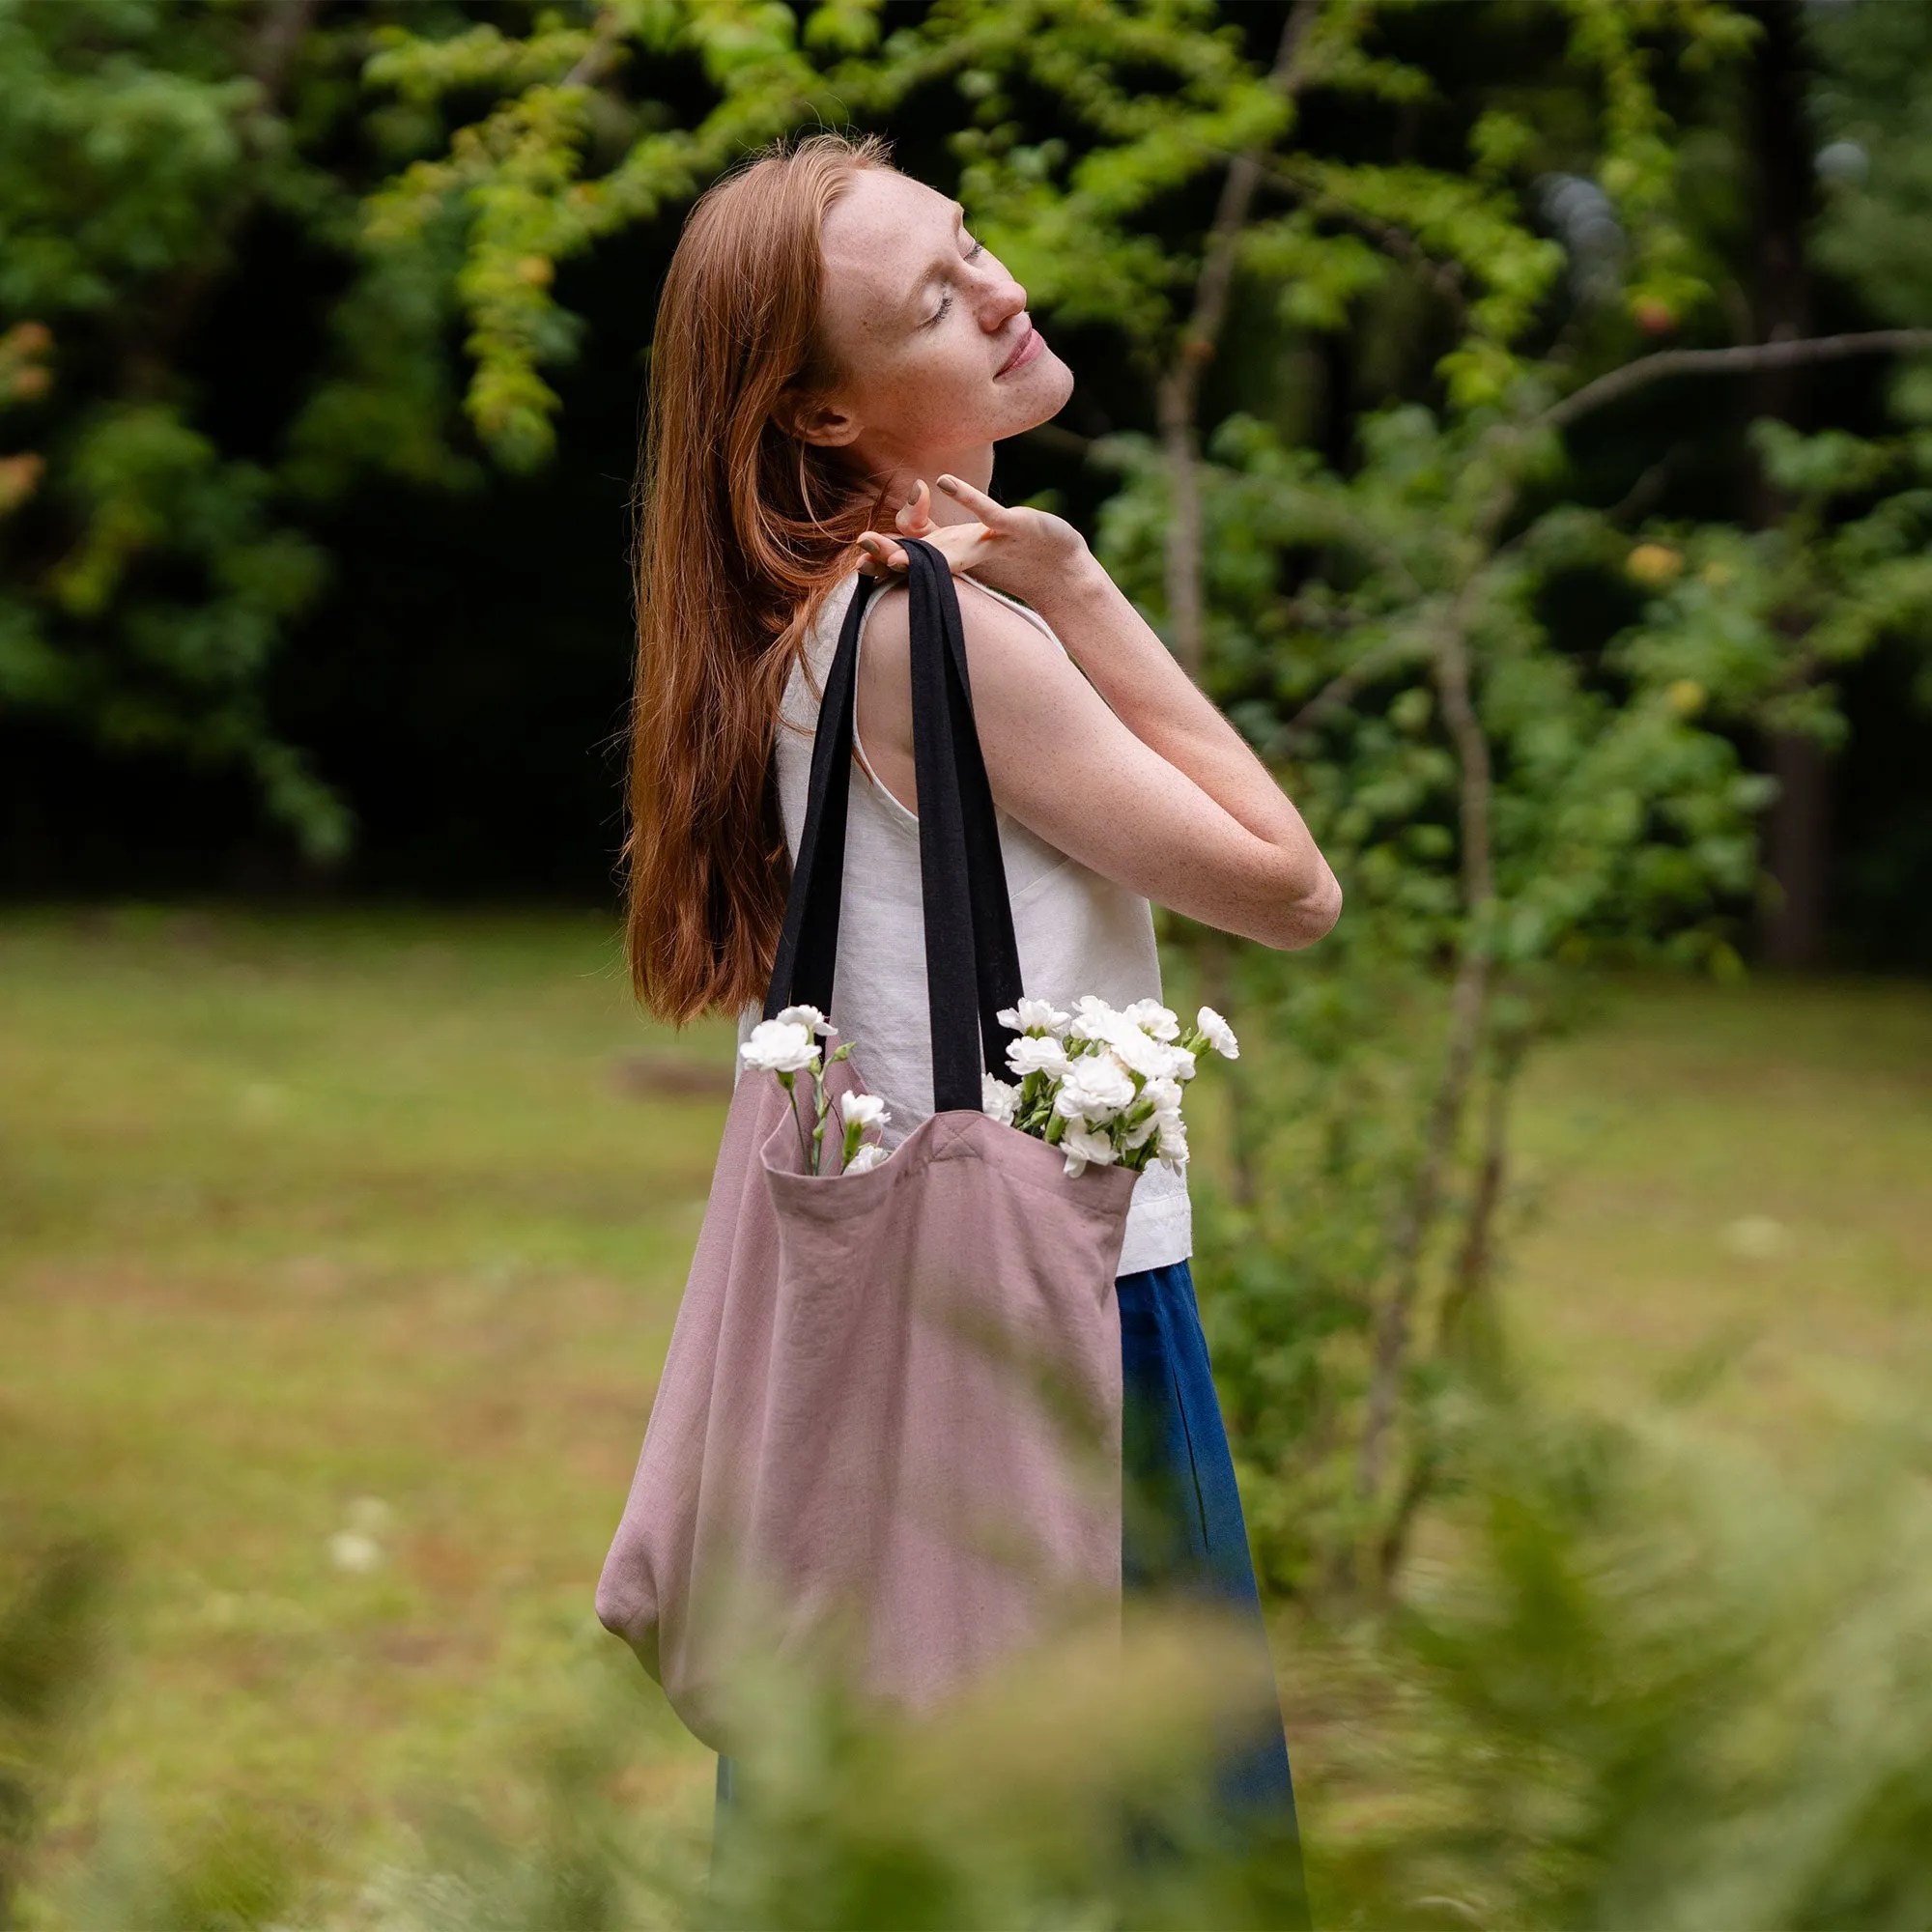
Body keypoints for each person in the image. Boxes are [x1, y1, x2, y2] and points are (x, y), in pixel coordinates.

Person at [623, 131, 1341, 1898]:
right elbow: (1286, 883)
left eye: (972, 245)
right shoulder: (941, 636)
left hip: (910, 1325)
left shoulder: (821, 625)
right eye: (934, 298)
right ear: (826, 417)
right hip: (1053, 1312)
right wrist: (1080, 586)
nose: (1000, 289)